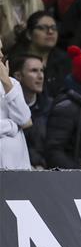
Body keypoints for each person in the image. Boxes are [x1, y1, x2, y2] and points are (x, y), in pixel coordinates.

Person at [10, 10, 69, 98]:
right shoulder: (14, 59)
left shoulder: (65, 59)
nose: (50, 32)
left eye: (54, 28)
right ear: (29, 34)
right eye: (43, 28)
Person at [10, 52, 50, 168]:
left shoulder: (51, 108)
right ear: (18, 76)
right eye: (34, 71)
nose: (41, 76)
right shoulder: (6, 109)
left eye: (41, 70)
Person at [0, 37, 32, 170]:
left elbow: (25, 120)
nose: (1, 55)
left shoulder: (12, 83)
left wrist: (6, 83)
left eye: (1, 49)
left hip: (18, 169)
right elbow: (20, 123)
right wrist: (13, 126)